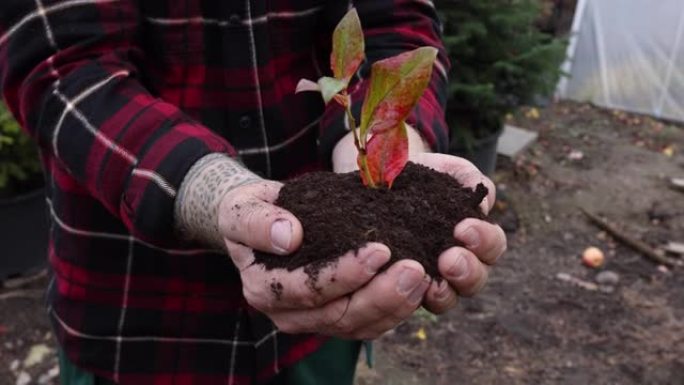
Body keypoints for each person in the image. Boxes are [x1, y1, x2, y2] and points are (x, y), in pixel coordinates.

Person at [0, 1, 507, 384]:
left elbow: (394, 19)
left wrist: (388, 145)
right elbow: (62, 66)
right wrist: (216, 193)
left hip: (326, 317)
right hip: (138, 318)